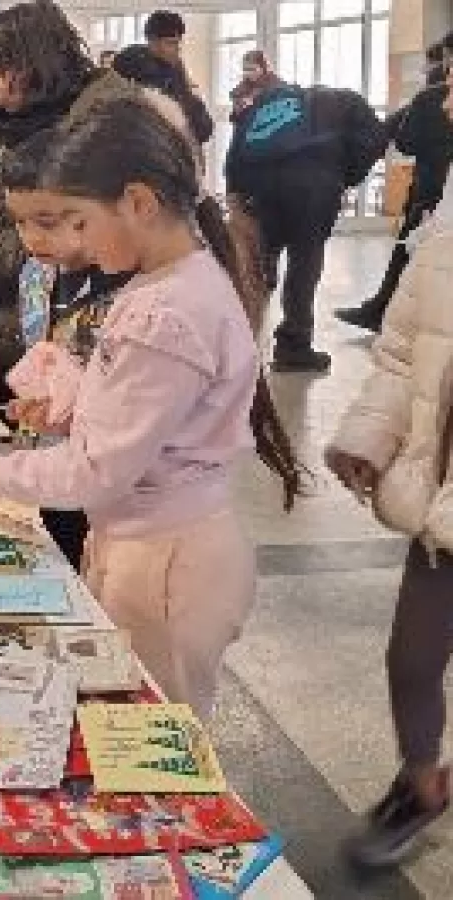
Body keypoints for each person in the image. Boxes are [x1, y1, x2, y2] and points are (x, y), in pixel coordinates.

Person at [0, 93, 302, 719]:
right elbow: (156, 421)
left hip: (167, 564)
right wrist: (75, 405)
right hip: (146, 545)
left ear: (139, 204)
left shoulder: (166, 313)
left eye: (79, 220)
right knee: (126, 718)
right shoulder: (166, 286)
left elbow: (97, 471)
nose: (76, 242)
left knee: (151, 733)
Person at [326, 137, 453, 866]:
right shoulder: (444, 237)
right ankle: (422, 780)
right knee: (412, 660)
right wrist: (368, 436)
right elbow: (403, 353)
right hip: (443, 510)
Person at [0, 0, 133, 408]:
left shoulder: (92, 131)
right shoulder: (26, 125)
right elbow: (17, 224)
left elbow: (48, 243)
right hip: (21, 326)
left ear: (30, 65)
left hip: (72, 332)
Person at [9, 130, 135, 571]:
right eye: (20, 223)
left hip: (104, 481)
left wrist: (76, 411)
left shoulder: (132, 295)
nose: (31, 238)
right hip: (45, 460)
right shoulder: (37, 273)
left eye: (46, 223)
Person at [226, 78, 387, 373]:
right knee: (304, 263)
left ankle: (236, 343)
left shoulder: (265, 103)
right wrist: (345, 174)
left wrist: (236, 194)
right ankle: (294, 346)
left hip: (261, 188)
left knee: (258, 266)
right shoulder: (345, 100)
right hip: (314, 188)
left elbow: (236, 150)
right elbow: (376, 138)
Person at [336, 59, 453, 333]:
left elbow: (406, 143)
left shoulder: (429, 98)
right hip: (439, 191)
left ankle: (384, 312)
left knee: (410, 255)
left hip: (430, 190)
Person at [111, 10, 214, 146]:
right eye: (171, 43)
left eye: (178, 43)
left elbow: (203, 126)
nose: (177, 49)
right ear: (152, 42)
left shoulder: (173, 70)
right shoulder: (141, 71)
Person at [229, 49, 282, 119]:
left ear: (263, 68)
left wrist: (254, 104)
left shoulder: (276, 86)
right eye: (245, 69)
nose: (248, 73)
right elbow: (235, 118)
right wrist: (238, 109)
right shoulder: (241, 89)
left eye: (252, 69)